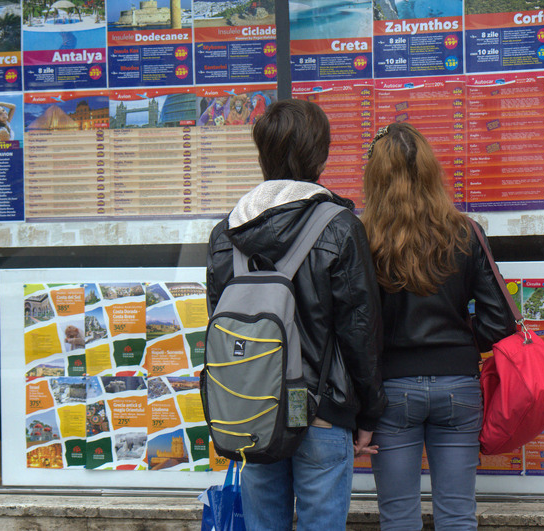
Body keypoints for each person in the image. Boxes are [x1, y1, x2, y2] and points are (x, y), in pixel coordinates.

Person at [206, 99, 387, 530]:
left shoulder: (225, 235)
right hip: (324, 413)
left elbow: (221, 323)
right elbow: (359, 331)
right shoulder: (339, 227)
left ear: (262, 155)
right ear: (320, 156)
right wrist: (368, 414)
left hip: (255, 410)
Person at [360, 122, 517, 530]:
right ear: (431, 171)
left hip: (391, 391)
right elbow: (501, 321)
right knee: (458, 516)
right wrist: (461, 338)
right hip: (458, 388)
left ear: (375, 177)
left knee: (398, 517)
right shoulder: (465, 232)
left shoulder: (363, 238)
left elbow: (358, 326)